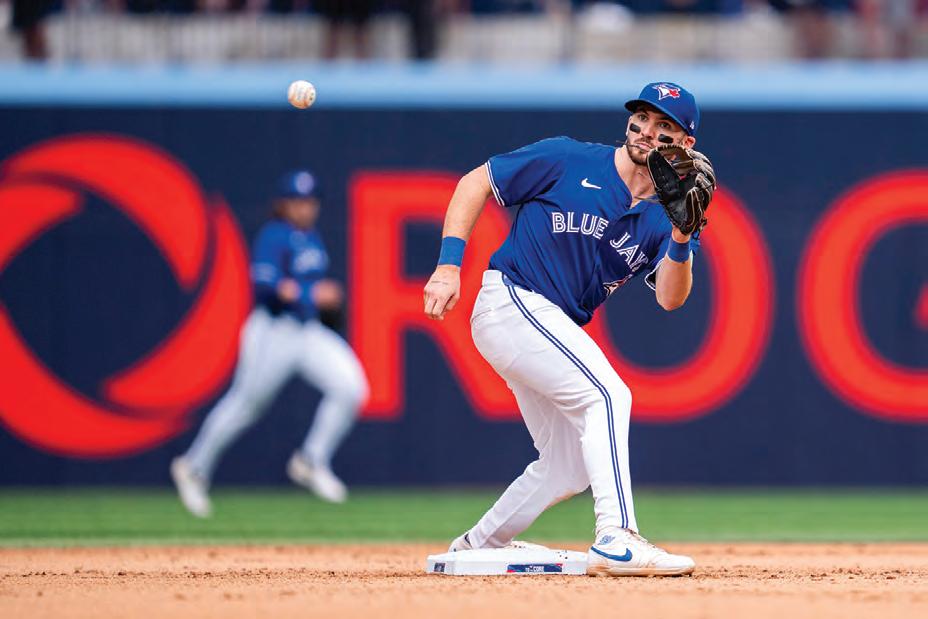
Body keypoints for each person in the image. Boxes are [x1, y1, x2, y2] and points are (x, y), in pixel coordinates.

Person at [422, 82, 715, 576]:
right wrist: (449, 266)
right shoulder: (567, 157)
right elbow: (475, 183)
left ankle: (477, 544)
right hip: (512, 299)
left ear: (686, 144)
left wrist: (683, 236)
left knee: (567, 466)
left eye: (664, 125)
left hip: (543, 324)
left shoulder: (670, 215)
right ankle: (617, 537)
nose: (647, 131)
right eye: (642, 118)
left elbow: (670, 297)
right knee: (608, 395)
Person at [171, 170, 369, 517]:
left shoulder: (310, 237)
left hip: (306, 330)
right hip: (273, 330)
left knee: (351, 388)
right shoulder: (274, 235)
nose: (305, 207)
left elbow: (306, 290)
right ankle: (193, 466)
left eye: (310, 201)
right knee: (246, 405)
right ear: (283, 204)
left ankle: (311, 460)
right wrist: (312, 294)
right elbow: (266, 287)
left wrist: (320, 299)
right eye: (297, 201)